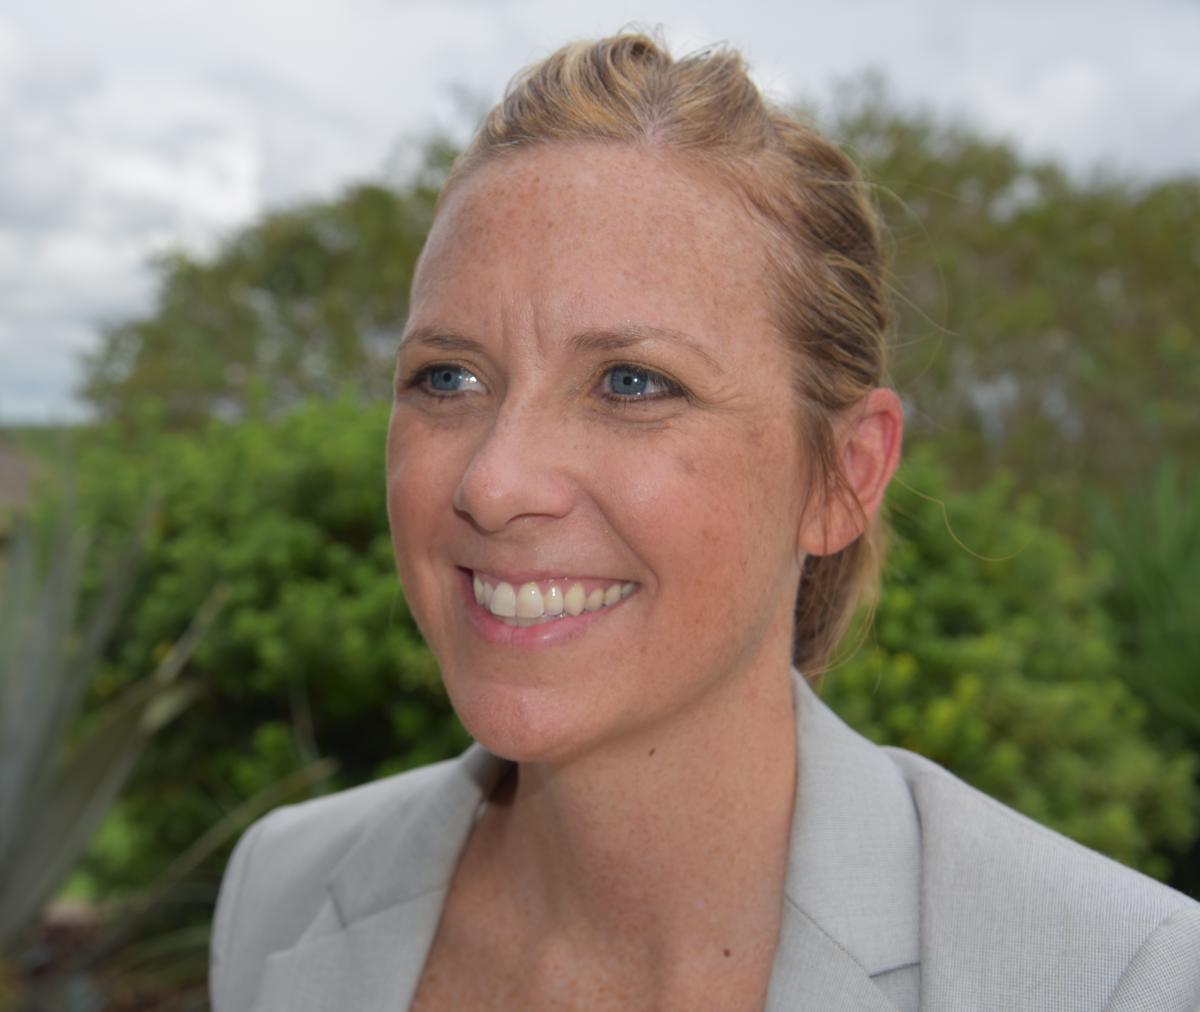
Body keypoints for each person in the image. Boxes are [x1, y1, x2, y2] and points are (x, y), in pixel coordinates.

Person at [209, 32, 1200, 1012]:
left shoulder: (1120, 976)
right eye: (449, 377)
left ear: (844, 478)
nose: (495, 481)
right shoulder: (280, 894)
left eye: (632, 383)